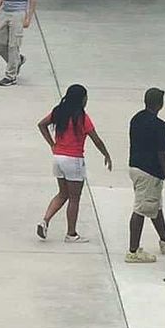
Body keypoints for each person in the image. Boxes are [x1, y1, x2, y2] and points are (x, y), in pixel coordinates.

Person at [36, 84, 112, 243]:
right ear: (82, 99)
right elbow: (96, 139)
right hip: (74, 160)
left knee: (62, 193)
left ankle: (45, 220)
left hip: (58, 158)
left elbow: (41, 124)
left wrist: (52, 144)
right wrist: (106, 154)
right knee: (74, 198)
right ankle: (71, 234)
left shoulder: (59, 112)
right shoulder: (82, 117)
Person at [127, 87, 165, 264]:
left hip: (135, 167)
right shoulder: (160, 126)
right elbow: (163, 155)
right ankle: (133, 251)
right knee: (141, 208)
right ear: (160, 104)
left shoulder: (136, 119)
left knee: (154, 205)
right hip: (149, 172)